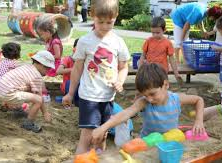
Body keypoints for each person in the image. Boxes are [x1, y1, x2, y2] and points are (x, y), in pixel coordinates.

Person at [62, 0, 130, 155]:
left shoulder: (118, 42)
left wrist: (120, 80)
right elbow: (77, 68)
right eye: (101, 22)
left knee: (103, 134)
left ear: (116, 17)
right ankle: (81, 158)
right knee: (87, 135)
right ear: (92, 16)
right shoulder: (85, 41)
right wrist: (70, 93)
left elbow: (123, 67)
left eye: (109, 22)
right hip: (89, 96)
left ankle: (98, 157)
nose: (105, 26)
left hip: (107, 97)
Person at [91, 63, 205, 146]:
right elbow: (126, 113)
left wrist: (199, 121)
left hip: (170, 141)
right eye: (145, 95)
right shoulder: (144, 102)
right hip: (147, 144)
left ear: (166, 85)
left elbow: (198, 100)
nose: (149, 99)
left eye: (152, 94)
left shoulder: (176, 99)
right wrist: (103, 128)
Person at [0, 50, 54, 133]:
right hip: (7, 93)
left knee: (28, 91)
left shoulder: (26, 66)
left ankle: (18, 109)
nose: (47, 72)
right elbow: (40, 98)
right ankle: (28, 123)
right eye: (48, 68)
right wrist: (45, 113)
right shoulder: (37, 76)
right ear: (42, 64)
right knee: (38, 100)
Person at [139, 17, 183, 84]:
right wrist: (140, 69)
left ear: (164, 30)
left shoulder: (168, 43)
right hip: (150, 71)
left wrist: (176, 74)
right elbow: (143, 55)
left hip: (163, 71)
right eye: (153, 33)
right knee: (151, 88)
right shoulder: (148, 41)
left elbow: (172, 59)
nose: (155, 35)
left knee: (162, 88)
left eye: (158, 32)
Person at [56, 38, 79, 106]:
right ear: (74, 48)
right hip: (68, 86)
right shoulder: (68, 59)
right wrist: (73, 69)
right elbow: (58, 71)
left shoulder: (85, 61)